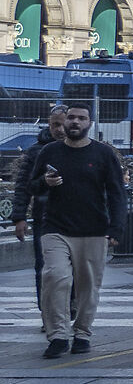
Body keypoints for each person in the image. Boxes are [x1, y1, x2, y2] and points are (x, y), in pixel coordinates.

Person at [21, 104, 123, 358]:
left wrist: (116, 228)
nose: (75, 122)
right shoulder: (50, 151)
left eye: (81, 118)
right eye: (71, 118)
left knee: (88, 286)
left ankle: (82, 334)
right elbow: (32, 186)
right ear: (64, 122)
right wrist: (45, 182)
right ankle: (57, 335)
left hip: (93, 229)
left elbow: (117, 193)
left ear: (90, 123)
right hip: (55, 228)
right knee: (56, 277)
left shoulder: (103, 153)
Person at [12, 107, 67, 303]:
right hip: (44, 217)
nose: (59, 129)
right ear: (49, 125)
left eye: (63, 124)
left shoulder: (83, 149)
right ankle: (47, 309)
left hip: (75, 218)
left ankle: (69, 305)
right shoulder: (37, 151)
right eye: (55, 125)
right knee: (44, 266)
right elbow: (23, 185)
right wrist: (19, 218)